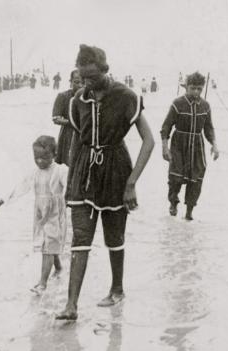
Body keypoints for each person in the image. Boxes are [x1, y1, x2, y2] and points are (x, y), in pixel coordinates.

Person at [56, 44, 155, 320]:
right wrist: (70, 180)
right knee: (81, 237)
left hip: (116, 171)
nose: (87, 83)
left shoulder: (125, 97)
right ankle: (71, 306)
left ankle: (117, 288)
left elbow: (149, 141)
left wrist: (132, 183)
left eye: (92, 77)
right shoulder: (77, 101)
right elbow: (78, 140)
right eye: (82, 77)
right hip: (84, 173)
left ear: (105, 70)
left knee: (114, 237)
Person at [0, 136, 68, 294]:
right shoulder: (35, 173)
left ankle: (42, 283)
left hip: (55, 213)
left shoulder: (61, 170)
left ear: (55, 154)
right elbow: (19, 189)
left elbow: (71, 186)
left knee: (48, 245)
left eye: (44, 158)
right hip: (40, 213)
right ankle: (58, 267)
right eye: (36, 158)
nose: (40, 161)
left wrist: (73, 200)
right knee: (48, 244)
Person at [160, 71, 219, 221]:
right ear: (186, 87)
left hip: (197, 146)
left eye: (199, 88)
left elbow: (209, 128)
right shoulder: (177, 103)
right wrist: (164, 147)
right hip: (179, 144)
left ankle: (189, 212)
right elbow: (166, 127)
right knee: (176, 178)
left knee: (196, 179)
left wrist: (214, 145)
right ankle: (173, 202)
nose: (196, 92)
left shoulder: (205, 106)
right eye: (192, 88)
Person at [52, 70, 83, 166]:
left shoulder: (90, 97)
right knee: (67, 164)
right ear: (70, 82)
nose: (80, 85)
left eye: (83, 82)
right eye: (76, 82)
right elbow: (56, 118)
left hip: (86, 135)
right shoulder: (63, 96)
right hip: (68, 135)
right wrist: (72, 123)